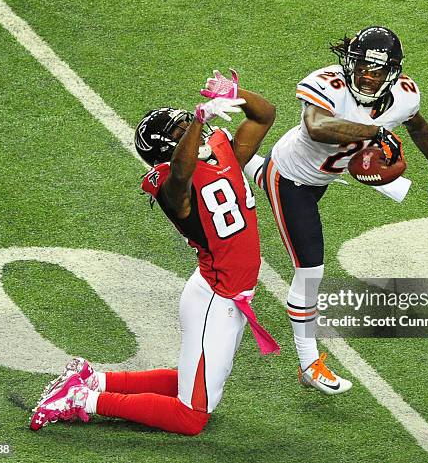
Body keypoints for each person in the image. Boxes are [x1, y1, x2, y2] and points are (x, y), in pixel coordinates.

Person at [30, 72, 278, 435]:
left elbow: (264, 115)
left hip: (224, 293)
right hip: (216, 298)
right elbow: (180, 173)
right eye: (180, 133)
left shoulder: (223, 154)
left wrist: (236, 93)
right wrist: (197, 121)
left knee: (192, 383)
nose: (197, 133)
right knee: (191, 417)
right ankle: (81, 400)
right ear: (166, 150)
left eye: (185, 125)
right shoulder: (170, 186)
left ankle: (93, 380)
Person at [240, 26, 428, 395]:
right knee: (310, 270)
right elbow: (316, 126)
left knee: (259, 173)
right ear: (349, 63)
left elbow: (418, 126)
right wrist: (372, 133)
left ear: (393, 73)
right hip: (292, 177)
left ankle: (228, 155)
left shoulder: (404, 95)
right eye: (360, 67)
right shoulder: (328, 84)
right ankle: (309, 362)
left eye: (376, 71)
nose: (366, 76)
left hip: (322, 177)